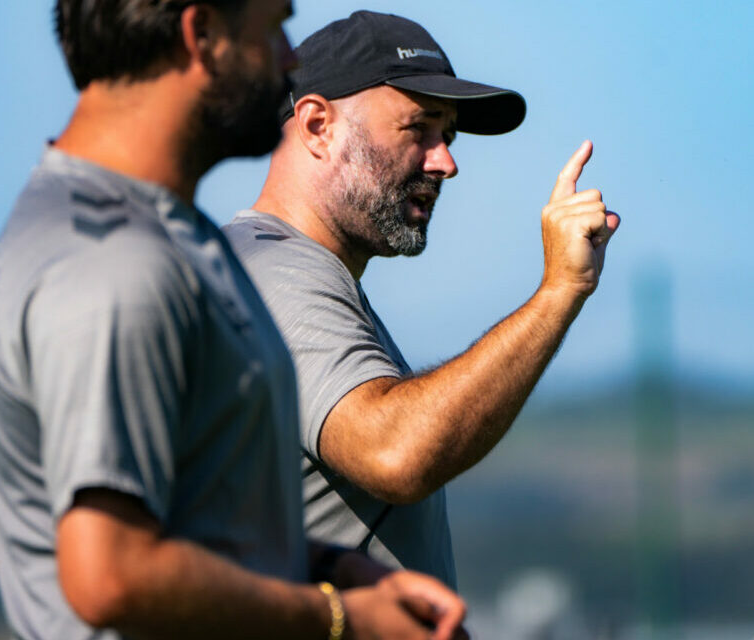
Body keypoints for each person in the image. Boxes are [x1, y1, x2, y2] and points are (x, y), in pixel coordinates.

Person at [0, 2, 466, 638]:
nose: (290, 58)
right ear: (201, 34)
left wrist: (335, 566)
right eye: (272, 28)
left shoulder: (171, 238)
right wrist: (342, 617)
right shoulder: (111, 261)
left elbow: (201, 524)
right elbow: (111, 575)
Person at [224, 10, 620, 588]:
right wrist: (560, 290)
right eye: (419, 128)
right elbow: (395, 452)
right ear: (316, 126)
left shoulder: (301, 274)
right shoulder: (275, 272)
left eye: (449, 137)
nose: (446, 162)